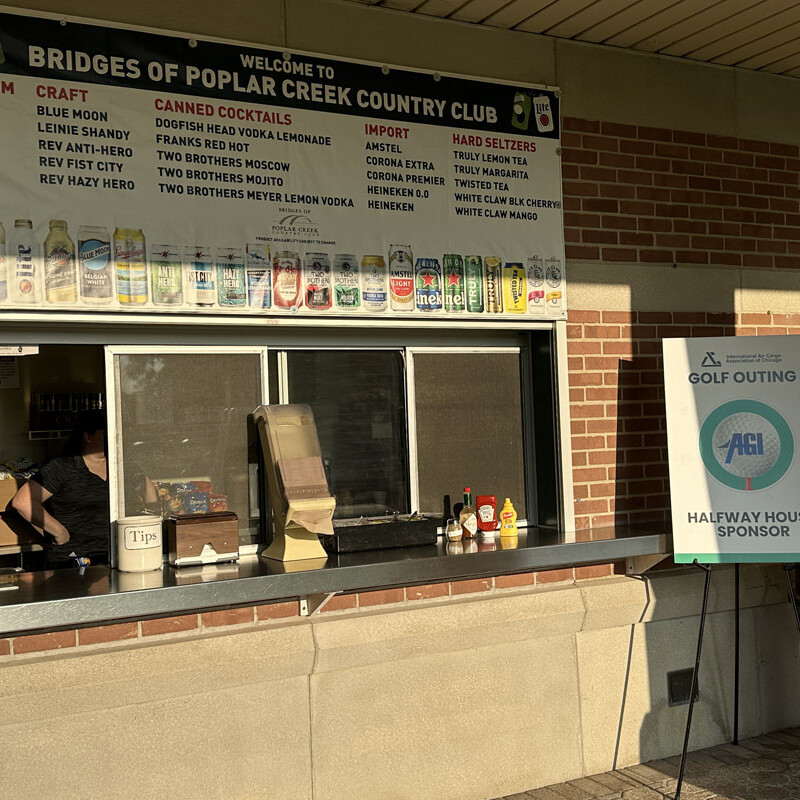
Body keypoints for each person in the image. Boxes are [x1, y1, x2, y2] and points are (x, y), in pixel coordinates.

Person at [12, 410, 110, 568]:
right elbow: (23, 502)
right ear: (87, 436)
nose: (111, 437)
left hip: (115, 557)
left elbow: (150, 495)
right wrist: (59, 532)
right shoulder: (62, 468)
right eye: (104, 433)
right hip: (72, 561)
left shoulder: (119, 466)